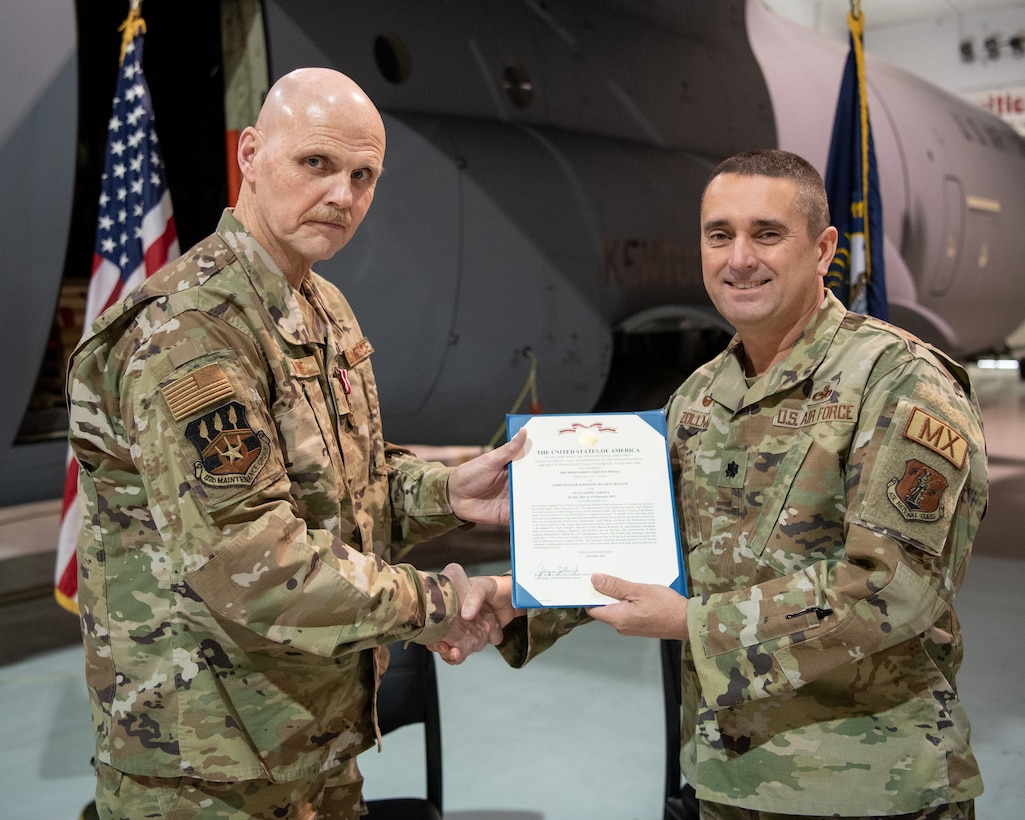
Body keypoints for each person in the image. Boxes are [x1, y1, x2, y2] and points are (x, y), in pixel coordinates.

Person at [449, 149, 988, 819]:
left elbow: (891, 585)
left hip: (872, 785)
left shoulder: (898, 380)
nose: (738, 258)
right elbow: (650, 553)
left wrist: (693, 626)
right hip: (727, 782)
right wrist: (520, 599)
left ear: (822, 250)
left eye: (766, 233)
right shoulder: (699, 399)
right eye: (718, 235)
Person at [67, 67, 522, 819]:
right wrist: (445, 602)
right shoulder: (189, 330)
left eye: (363, 175)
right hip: (206, 771)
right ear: (250, 153)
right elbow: (258, 564)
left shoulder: (320, 305)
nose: (342, 195)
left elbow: (342, 491)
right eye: (317, 163)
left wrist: (449, 492)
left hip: (309, 742)